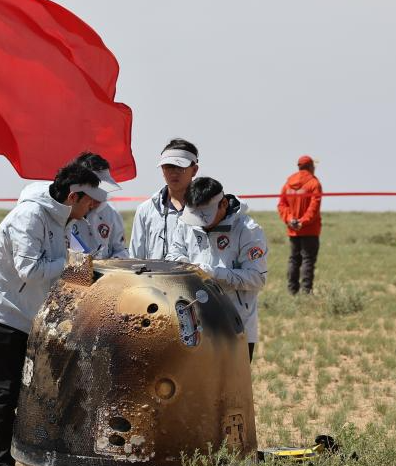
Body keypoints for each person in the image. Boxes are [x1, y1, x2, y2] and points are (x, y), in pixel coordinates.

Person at [0, 163, 105, 466]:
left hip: (33, 315)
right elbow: (29, 269)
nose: (90, 211)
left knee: (40, 390)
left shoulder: (64, 220)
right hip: (1, 312)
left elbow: (66, 270)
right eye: (88, 203)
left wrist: (89, 271)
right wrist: (80, 266)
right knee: (6, 390)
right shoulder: (29, 217)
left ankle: (45, 462)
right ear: (73, 196)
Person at [167, 177, 268, 361]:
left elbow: (257, 278)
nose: (201, 222)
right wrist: (184, 265)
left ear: (223, 204)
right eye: (196, 215)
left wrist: (214, 274)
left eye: (205, 215)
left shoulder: (248, 230)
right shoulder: (186, 223)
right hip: (192, 323)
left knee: (232, 388)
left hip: (234, 325)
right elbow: (173, 254)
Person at [128, 139, 199, 259]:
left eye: (180, 167)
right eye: (168, 167)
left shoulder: (207, 207)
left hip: (195, 277)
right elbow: (135, 257)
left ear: (194, 170)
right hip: (155, 277)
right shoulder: (146, 209)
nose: (174, 173)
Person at [67, 152, 127, 259]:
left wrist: (112, 263)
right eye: (95, 192)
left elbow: (121, 249)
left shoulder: (111, 213)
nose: (96, 201)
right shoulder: (63, 213)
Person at [277, 155, 322, 295]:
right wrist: (303, 222)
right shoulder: (314, 183)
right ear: (310, 167)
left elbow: (281, 205)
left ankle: (292, 291)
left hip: (293, 230)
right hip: (310, 230)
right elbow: (314, 207)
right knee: (308, 260)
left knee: (294, 259)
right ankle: (306, 292)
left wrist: (290, 220)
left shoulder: (288, 184)